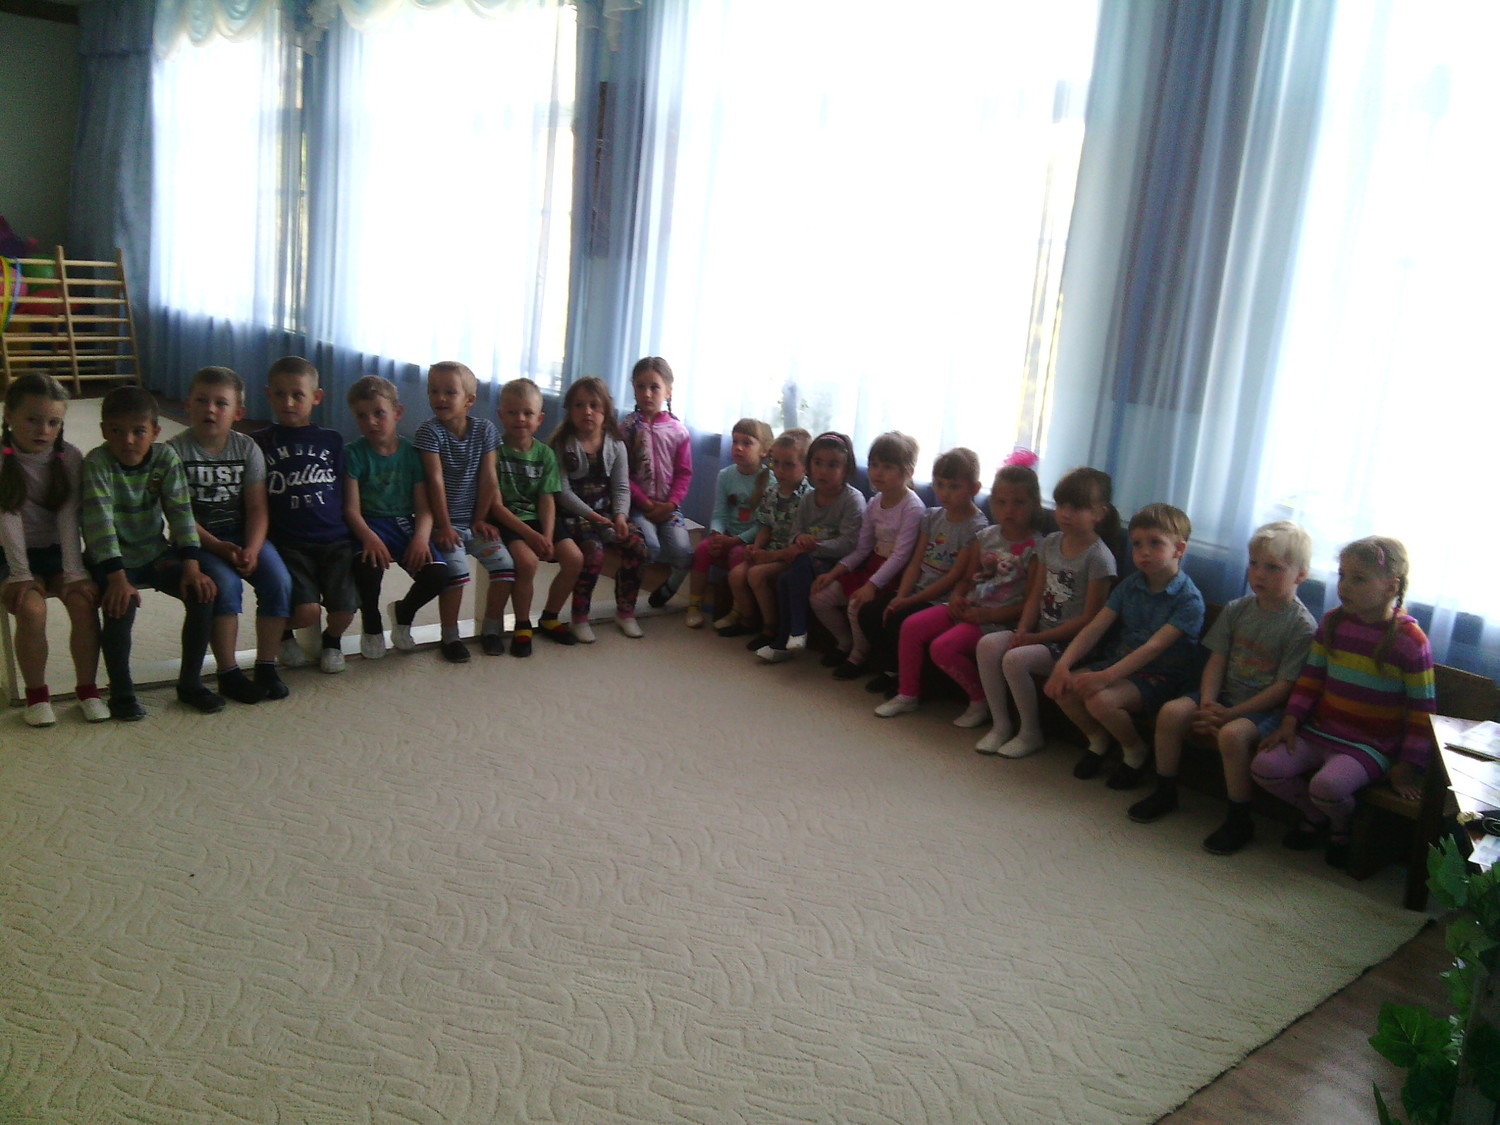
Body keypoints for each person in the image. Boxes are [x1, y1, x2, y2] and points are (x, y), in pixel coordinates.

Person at [1129, 521, 1317, 855]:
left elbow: (1284, 688)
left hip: (1264, 708)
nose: (1258, 574)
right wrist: (1207, 703)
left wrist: (1231, 714)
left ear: (1300, 575)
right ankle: (1165, 790)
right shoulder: (1237, 609)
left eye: (1273, 567)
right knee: (1171, 713)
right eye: (1254, 564)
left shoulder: (1301, 626)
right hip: (1223, 696)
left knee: (1231, 735)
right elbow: (1216, 661)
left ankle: (1239, 817)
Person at [1251, 535, 1435, 870]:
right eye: (1342, 575)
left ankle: (1341, 827)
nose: (1344, 585)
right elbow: (1311, 679)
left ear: (1391, 586)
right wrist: (1290, 722)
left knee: (1328, 785)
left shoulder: (1410, 640)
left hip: (1371, 744)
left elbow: (1423, 712)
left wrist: (1408, 765)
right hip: (1320, 730)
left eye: (1358, 578)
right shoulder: (1333, 622)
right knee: (1265, 767)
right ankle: (1314, 815)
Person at [81, 385, 220, 720]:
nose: (127, 440)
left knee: (202, 594)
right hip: (111, 560)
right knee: (120, 606)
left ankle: (190, 684)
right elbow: (99, 524)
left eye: (138, 431)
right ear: (104, 430)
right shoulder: (98, 463)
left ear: (156, 432)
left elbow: (181, 513)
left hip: (155, 554)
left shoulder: (165, 458)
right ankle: (121, 693)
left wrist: (191, 566)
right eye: (117, 430)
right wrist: (117, 578)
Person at [1044, 502, 1205, 789]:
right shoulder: (1130, 585)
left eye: (1155, 543)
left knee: (1101, 700)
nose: (1144, 551)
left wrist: (1105, 678)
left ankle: (1135, 752)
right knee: (1064, 688)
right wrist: (1063, 665)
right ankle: (1098, 741)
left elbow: (1154, 647)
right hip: (1120, 663)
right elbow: (1095, 628)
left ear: (1179, 549)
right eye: (1137, 544)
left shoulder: (1188, 600)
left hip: (1160, 676)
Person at [875, 457, 1039, 727]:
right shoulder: (986, 537)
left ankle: (979, 700)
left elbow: (1029, 603)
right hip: (967, 607)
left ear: (1033, 504)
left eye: (1018, 503)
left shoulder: (1036, 548)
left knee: (942, 648)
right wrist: (956, 598)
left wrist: (986, 615)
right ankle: (907, 694)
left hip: (996, 620)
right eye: (1001, 502)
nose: (1008, 510)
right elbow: (964, 579)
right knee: (911, 626)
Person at [973, 466, 1119, 757]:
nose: (1065, 514)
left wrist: (1036, 639)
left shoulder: (1100, 559)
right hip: (1040, 634)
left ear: (1098, 513)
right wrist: (1023, 630)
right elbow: (1036, 595)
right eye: (1062, 505)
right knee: (988, 645)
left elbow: (1089, 620)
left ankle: (1030, 733)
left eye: (1077, 507)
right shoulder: (1050, 543)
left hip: (1073, 647)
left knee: (1015, 660)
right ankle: (1001, 725)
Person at [168, 365, 294, 703]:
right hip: (198, 540)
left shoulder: (247, 448)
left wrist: (252, 548)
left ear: (238, 412)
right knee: (225, 585)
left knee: (279, 581)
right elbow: (179, 516)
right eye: (202, 400)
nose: (210, 409)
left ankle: (266, 665)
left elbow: (257, 508)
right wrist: (219, 548)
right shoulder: (174, 452)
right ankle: (228, 673)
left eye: (221, 403)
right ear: (188, 405)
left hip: (241, 534)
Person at [0, 373, 107, 726]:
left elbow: (68, 517)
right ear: (8, 415)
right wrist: (20, 574)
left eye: (53, 422)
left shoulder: (70, 457)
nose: (43, 430)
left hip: (57, 550)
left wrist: (75, 572)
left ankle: (88, 690)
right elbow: (8, 519)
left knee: (83, 602)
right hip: (10, 552)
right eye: (32, 419)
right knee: (31, 611)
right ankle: (36, 696)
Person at [858, 447, 989, 698]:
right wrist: (901, 595)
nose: (944, 493)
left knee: (899, 618)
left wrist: (909, 601)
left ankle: (916, 683)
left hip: (942, 599)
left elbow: (953, 577)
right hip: (917, 589)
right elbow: (915, 563)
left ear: (974, 488)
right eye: (939, 484)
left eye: (954, 486)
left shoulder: (977, 526)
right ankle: (892, 669)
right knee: (869, 612)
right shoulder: (932, 516)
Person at [412, 360, 515, 663]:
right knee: (456, 575)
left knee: (505, 567)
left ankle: (491, 629)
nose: (440, 398)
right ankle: (450, 635)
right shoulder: (429, 432)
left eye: (449, 392)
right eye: (434, 391)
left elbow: (489, 477)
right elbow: (434, 480)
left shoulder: (484, 430)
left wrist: (481, 518)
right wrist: (444, 526)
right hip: (443, 523)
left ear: (469, 400)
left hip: (474, 521)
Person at [341, 375, 450, 660]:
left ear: (397, 412)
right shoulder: (353, 454)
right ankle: (371, 621)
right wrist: (369, 538)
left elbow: (423, 507)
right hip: (368, 524)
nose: (371, 421)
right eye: (362, 416)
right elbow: (351, 509)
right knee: (367, 566)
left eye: (379, 413)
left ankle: (403, 612)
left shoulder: (412, 453)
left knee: (438, 573)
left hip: (403, 523)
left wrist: (421, 538)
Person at [810, 431, 925, 679]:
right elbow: (862, 548)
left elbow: (901, 556)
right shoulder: (874, 503)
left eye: (887, 467)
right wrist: (834, 573)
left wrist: (871, 586)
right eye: (873, 465)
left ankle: (858, 657)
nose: (877, 472)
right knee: (820, 597)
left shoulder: (912, 507)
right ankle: (845, 643)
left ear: (908, 472)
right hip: (872, 566)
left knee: (856, 605)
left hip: (896, 576)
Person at [483, 377, 584, 656]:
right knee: (526, 563)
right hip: (509, 519)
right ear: (501, 414)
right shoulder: (494, 453)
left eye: (528, 413)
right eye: (513, 412)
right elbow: (496, 506)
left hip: (540, 520)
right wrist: (531, 536)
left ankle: (550, 617)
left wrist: (547, 536)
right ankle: (522, 624)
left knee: (574, 559)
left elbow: (547, 498)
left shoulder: (545, 454)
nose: (520, 419)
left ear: (539, 418)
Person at [550, 376, 648, 644]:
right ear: (570, 410)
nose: (587, 411)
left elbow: (621, 488)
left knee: (638, 545)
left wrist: (620, 517)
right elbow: (562, 492)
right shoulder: (562, 445)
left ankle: (625, 610)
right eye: (579, 405)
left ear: (606, 410)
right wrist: (594, 517)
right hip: (575, 517)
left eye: (594, 405)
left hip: (606, 515)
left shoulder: (615, 445)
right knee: (593, 552)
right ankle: (580, 616)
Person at [755, 431, 863, 663]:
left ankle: (795, 631)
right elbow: (794, 534)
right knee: (786, 579)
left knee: (797, 565)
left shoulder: (852, 500)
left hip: (840, 565)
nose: (823, 470)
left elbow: (848, 544)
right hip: (809, 562)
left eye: (832, 465)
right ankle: (787, 638)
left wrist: (811, 547)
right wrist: (800, 539)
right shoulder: (808, 498)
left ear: (846, 470)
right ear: (809, 465)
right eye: (818, 463)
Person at [718, 427, 811, 646]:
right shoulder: (771, 492)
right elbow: (765, 526)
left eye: (788, 464)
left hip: (790, 557)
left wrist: (770, 556)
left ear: (805, 467)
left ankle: (771, 627)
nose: (780, 470)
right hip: (769, 550)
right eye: (775, 463)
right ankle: (749, 619)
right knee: (736, 575)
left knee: (756, 574)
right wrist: (756, 548)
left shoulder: (807, 497)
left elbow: (801, 543)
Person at [621, 356, 693, 620]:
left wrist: (671, 504)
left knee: (684, 552)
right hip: (639, 506)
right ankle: (626, 597)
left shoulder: (678, 431)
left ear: (668, 391)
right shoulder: (627, 428)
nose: (647, 393)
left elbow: (684, 473)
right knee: (649, 547)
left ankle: (669, 587)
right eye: (640, 387)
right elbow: (623, 473)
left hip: (669, 507)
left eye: (654, 387)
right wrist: (645, 502)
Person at [684, 417, 773, 629]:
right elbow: (719, 513)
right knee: (703, 549)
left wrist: (736, 540)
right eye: (735, 441)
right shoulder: (726, 475)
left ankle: (736, 611)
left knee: (737, 555)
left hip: (752, 541)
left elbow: (763, 525)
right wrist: (716, 534)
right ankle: (694, 605)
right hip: (726, 536)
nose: (738, 448)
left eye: (747, 443)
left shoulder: (771, 481)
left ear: (763, 450)